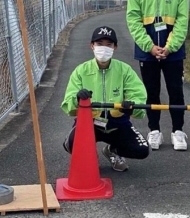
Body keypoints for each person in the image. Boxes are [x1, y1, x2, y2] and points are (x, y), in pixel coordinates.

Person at [126, 0, 189, 151]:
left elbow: (182, 20)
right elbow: (133, 20)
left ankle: (178, 131)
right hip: (147, 50)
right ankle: (154, 130)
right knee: (150, 91)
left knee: (175, 91)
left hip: (174, 50)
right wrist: (149, 46)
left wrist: (170, 47)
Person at [61, 26, 150, 171]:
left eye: (109, 45)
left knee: (141, 150)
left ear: (115, 47)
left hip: (118, 124)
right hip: (89, 124)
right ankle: (90, 154)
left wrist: (131, 104)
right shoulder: (81, 71)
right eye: (99, 44)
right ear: (92, 46)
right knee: (71, 144)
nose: (104, 48)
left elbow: (139, 96)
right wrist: (77, 99)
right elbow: (68, 105)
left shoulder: (124, 70)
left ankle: (112, 150)